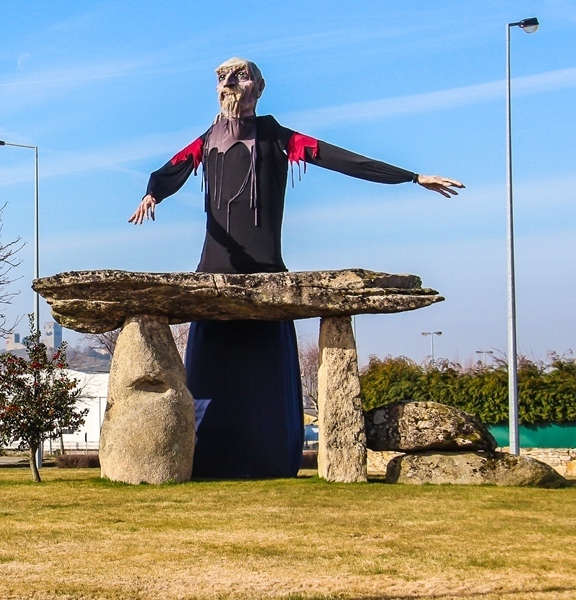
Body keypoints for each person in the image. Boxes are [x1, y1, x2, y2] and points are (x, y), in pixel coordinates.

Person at [129, 57, 463, 479]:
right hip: (213, 273)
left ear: (259, 87)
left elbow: (342, 159)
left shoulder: (279, 138)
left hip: (268, 275)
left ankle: (269, 457)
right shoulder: (206, 141)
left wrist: (411, 177)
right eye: (221, 77)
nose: (229, 83)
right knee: (210, 371)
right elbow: (168, 171)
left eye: (240, 75)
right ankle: (206, 456)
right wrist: (153, 194)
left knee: (266, 379)